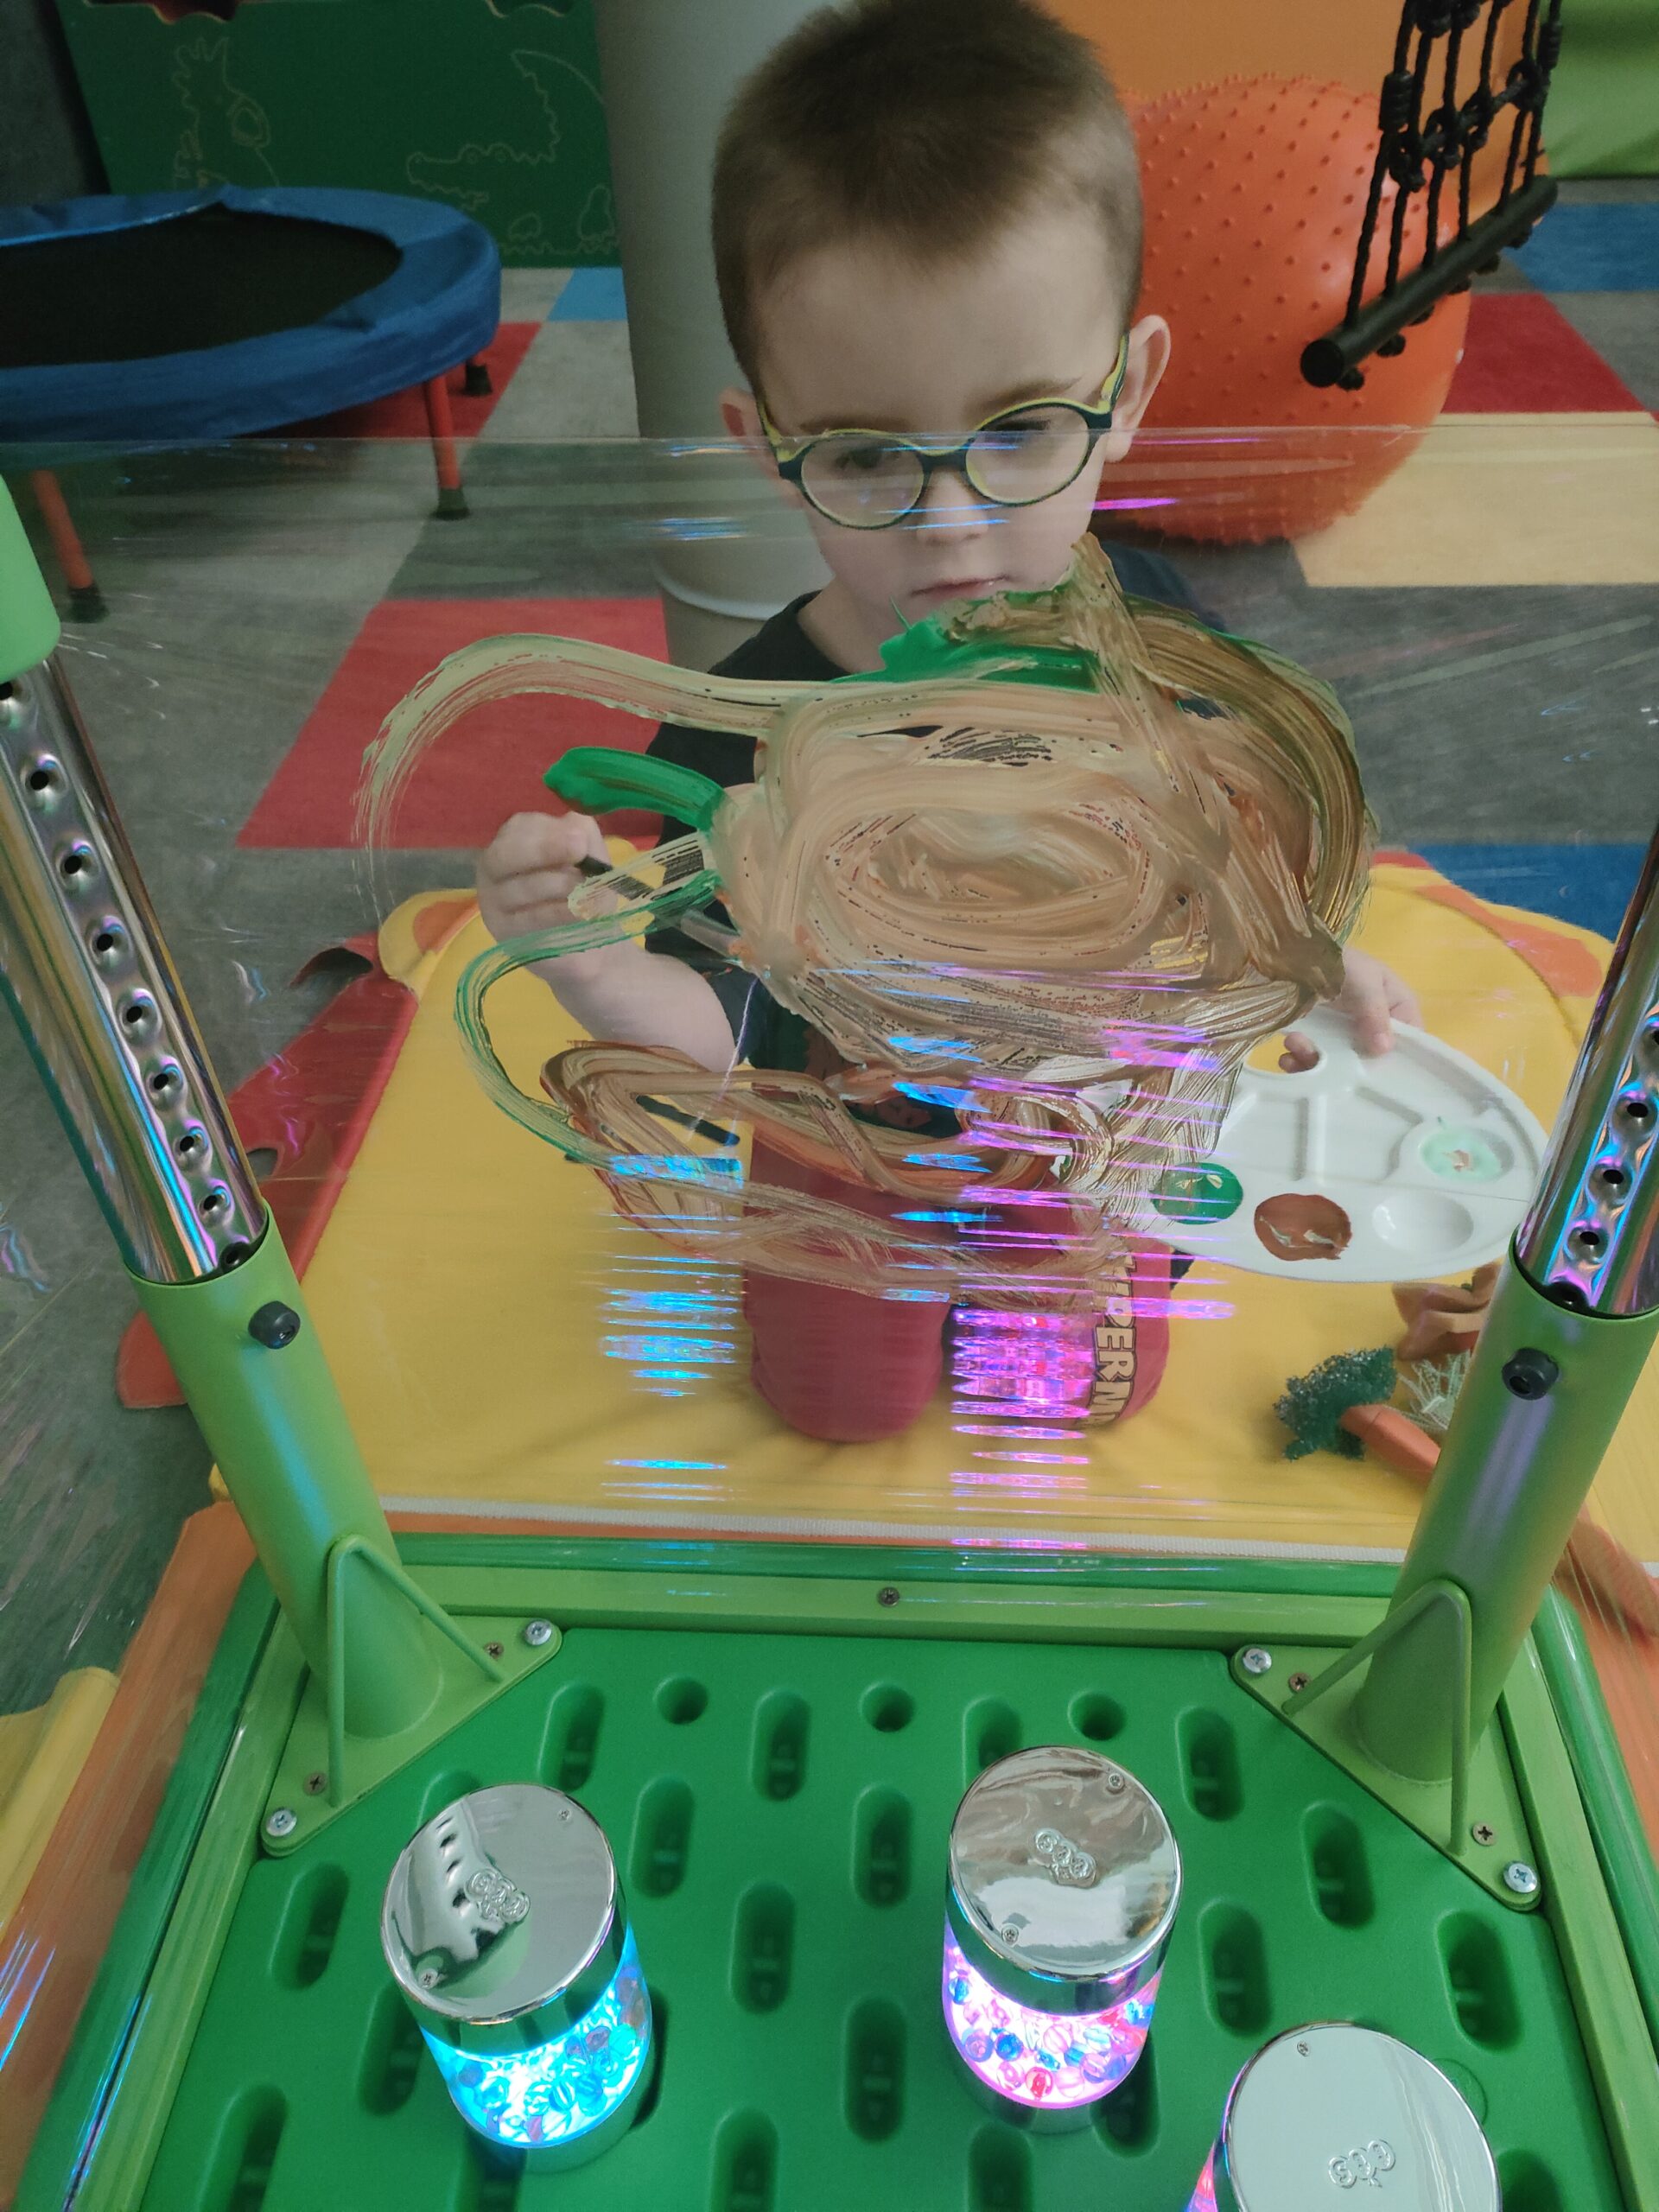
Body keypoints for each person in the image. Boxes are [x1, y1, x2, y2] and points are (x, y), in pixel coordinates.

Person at [478, 0, 1418, 1441]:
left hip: (1084, 1131)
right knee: (833, 1409)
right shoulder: (744, 737)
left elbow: (1227, 874)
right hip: (845, 1155)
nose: (951, 522)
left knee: (1067, 1402)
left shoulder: (1167, 664)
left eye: (1022, 428)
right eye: (864, 454)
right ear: (765, 446)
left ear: (1130, 393)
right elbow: (718, 1038)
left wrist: (1306, 958)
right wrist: (599, 975)